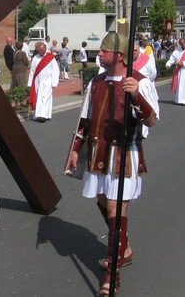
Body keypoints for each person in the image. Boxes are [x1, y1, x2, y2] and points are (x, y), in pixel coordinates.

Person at [68, 32, 158, 297]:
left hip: (123, 153)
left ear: (119, 56)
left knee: (114, 207)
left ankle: (112, 275)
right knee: (101, 200)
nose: (100, 55)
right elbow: (84, 121)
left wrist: (136, 96)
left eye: (104, 51)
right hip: (97, 153)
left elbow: (151, 120)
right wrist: (75, 151)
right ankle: (124, 249)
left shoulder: (138, 82)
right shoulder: (96, 82)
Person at [27, 42, 59, 122]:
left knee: (45, 97)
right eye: (39, 50)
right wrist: (30, 83)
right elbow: (32, 71)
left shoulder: (50, 58)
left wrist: (54, 82)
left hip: (47, 81)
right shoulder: (35, 58)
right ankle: (39, 114)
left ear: (45, 49)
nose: (40, 52)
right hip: (37, 81)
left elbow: (55, 70)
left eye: (42, 50)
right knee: (38, 98)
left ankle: (43, 115)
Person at [165, 38, 185, 106]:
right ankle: (179, 100)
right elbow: (172, 58)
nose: (183, 44)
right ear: (179, 44)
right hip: (179, 71)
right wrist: (168, 64)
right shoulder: (177, 51)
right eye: (181, 43)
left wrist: (183, 63)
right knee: (180, 85)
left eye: (184, 42)